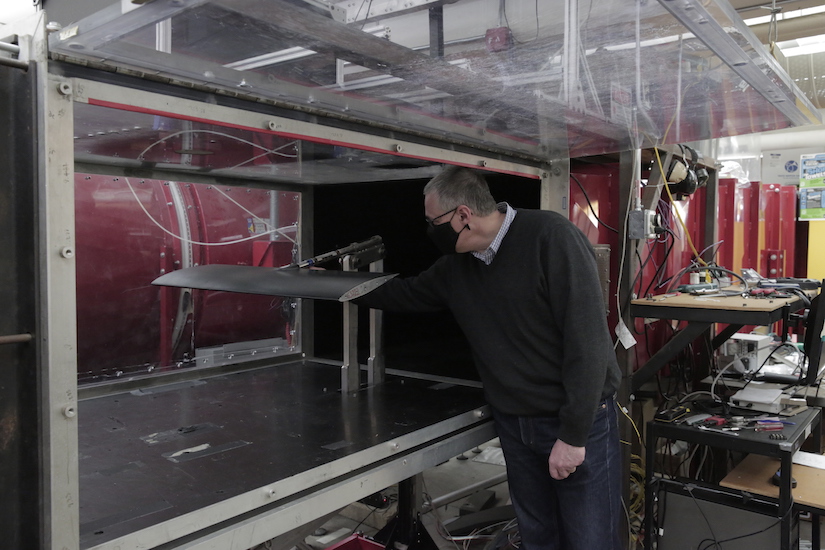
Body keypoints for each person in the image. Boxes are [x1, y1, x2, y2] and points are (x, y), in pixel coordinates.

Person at [354, 165, 622, 550]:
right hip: (516, 425)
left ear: (464, 214)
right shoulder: (457, 267)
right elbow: (404, 294)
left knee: (589, 539)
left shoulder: (550, 237)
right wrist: (332, 285)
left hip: (573, 422)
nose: (430, 231)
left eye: (435, 222)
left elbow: (588, 343)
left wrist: (573, 435)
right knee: (537, 535)